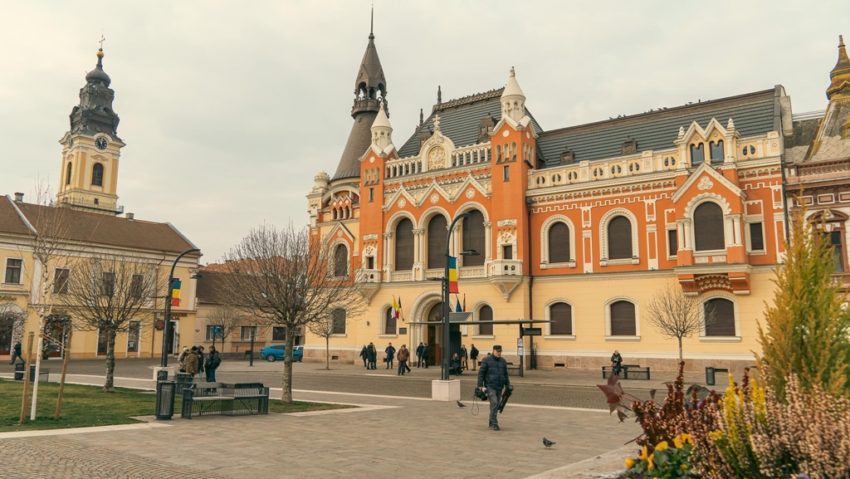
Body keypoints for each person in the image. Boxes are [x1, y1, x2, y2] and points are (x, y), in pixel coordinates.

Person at [477, 344, 511, 431]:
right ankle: (495, 423)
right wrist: (480, 385)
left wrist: (508, 384)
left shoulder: (503, 361)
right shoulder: (486, 360)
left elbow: (505, 374)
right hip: (490, 386)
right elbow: (481, 373)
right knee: (495, 403)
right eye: (497, 351)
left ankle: (491, 421)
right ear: (493, 351)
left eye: (500, 351)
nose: (499, 353)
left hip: (500, 386)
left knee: (495, 405)